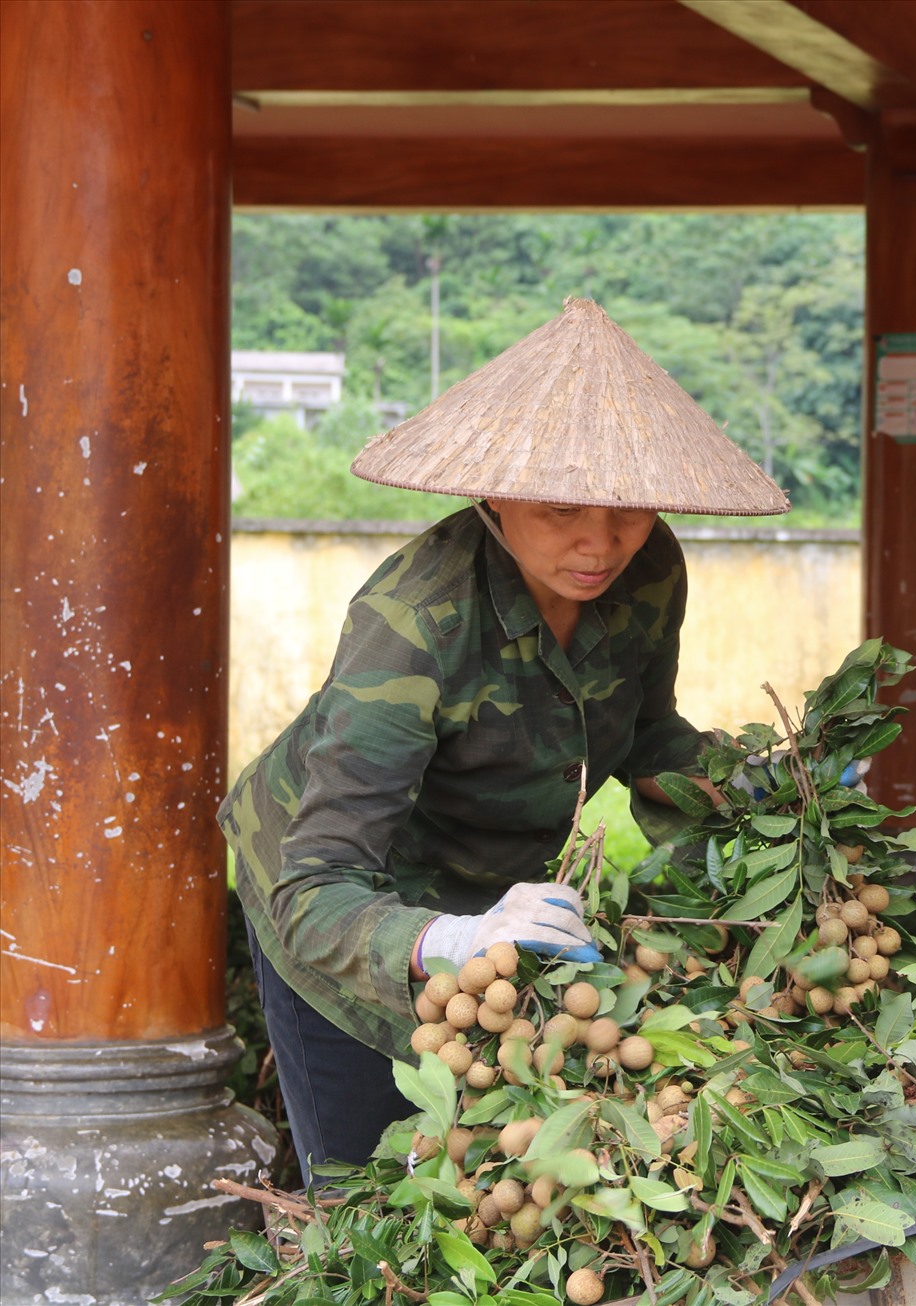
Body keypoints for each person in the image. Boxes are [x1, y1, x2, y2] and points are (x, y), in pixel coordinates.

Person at [221, 298, 787, 1183]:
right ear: (492, 491)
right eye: (561, 508)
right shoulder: (412, 626)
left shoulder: (650, 569)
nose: (600, 543)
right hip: (337, 890)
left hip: (498, 896)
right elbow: (315, 886)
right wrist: (443, 939)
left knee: (492, 1169)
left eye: (629, 510)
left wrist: (753, 789)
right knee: (366, 1186)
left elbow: (644, 734)